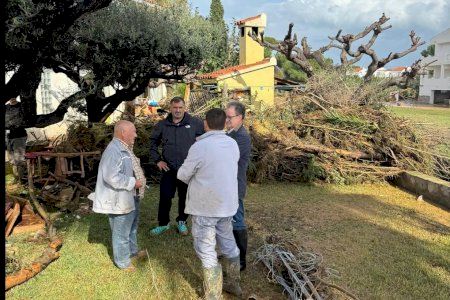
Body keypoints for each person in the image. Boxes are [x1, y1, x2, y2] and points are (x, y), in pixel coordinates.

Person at [177, 108, 242, 298]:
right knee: (228, 242)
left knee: (206, 248)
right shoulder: (232, 144)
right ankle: (233, 284)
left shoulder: (199, 147)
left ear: (205, 123)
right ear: (225, 124)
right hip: (227, 204)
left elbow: (182, 174)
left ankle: (213, 294)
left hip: (205, 206)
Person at [92, 120, 147, 271]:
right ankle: (123, 262)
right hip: (119, 199)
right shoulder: (113, 151)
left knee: (132, 227)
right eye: (133, 131)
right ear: (123, 133)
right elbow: (110, 177)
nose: (136, 135)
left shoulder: (125, 148)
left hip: (130, 196)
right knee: (121, 232)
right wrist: (133, 182)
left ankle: (132, 252)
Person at [149, 97, 204, 236]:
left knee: (185, 197)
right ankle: (163, 224)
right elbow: (152, 143)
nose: (177, 110)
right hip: (168, 168)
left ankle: (182, 222)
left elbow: (205, 142)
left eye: (180, 107)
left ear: (184, 108)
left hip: (187, 169)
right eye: (175, 107)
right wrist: (158, 161)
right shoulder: (163, 125)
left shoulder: (195, 123)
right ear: (171, 108)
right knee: (165, 197)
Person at [225, 101, 252, 271]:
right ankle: (232, 252)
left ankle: (241, 260)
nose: (227, 120)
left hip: (235, 186)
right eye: (226, 116)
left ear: (240, 117)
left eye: (230, 117)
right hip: (227, 186)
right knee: (228, 221)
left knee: (237, 222)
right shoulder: (231, 132)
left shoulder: (242, 137)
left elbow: (229, 159)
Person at [5, 98, 28, 183]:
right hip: (8, 137)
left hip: (19, 135)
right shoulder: (6, 107)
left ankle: (21, 180)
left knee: (19, 159)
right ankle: (16, 178)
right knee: (12, 160)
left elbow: (26, 119)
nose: (12, 97)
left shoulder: (22, 106)